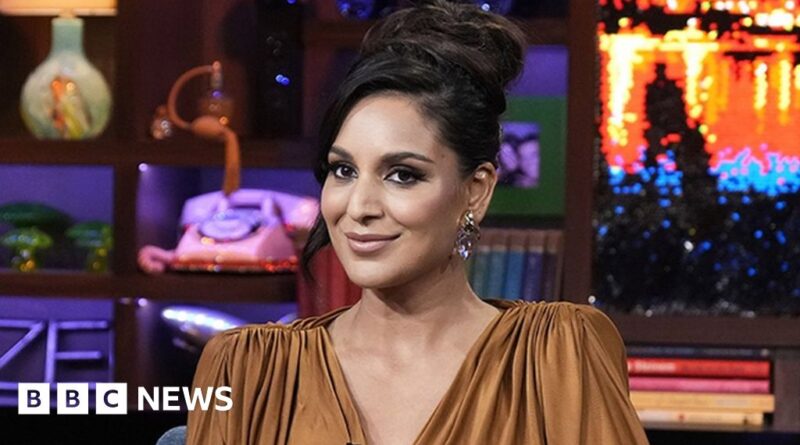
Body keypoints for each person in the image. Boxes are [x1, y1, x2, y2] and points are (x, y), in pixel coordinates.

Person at [186, 1, 649, 444]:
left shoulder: (557, 355)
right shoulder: (248, 369)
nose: (359, 206)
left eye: (402, 175)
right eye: (343, 171)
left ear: (477, 190)